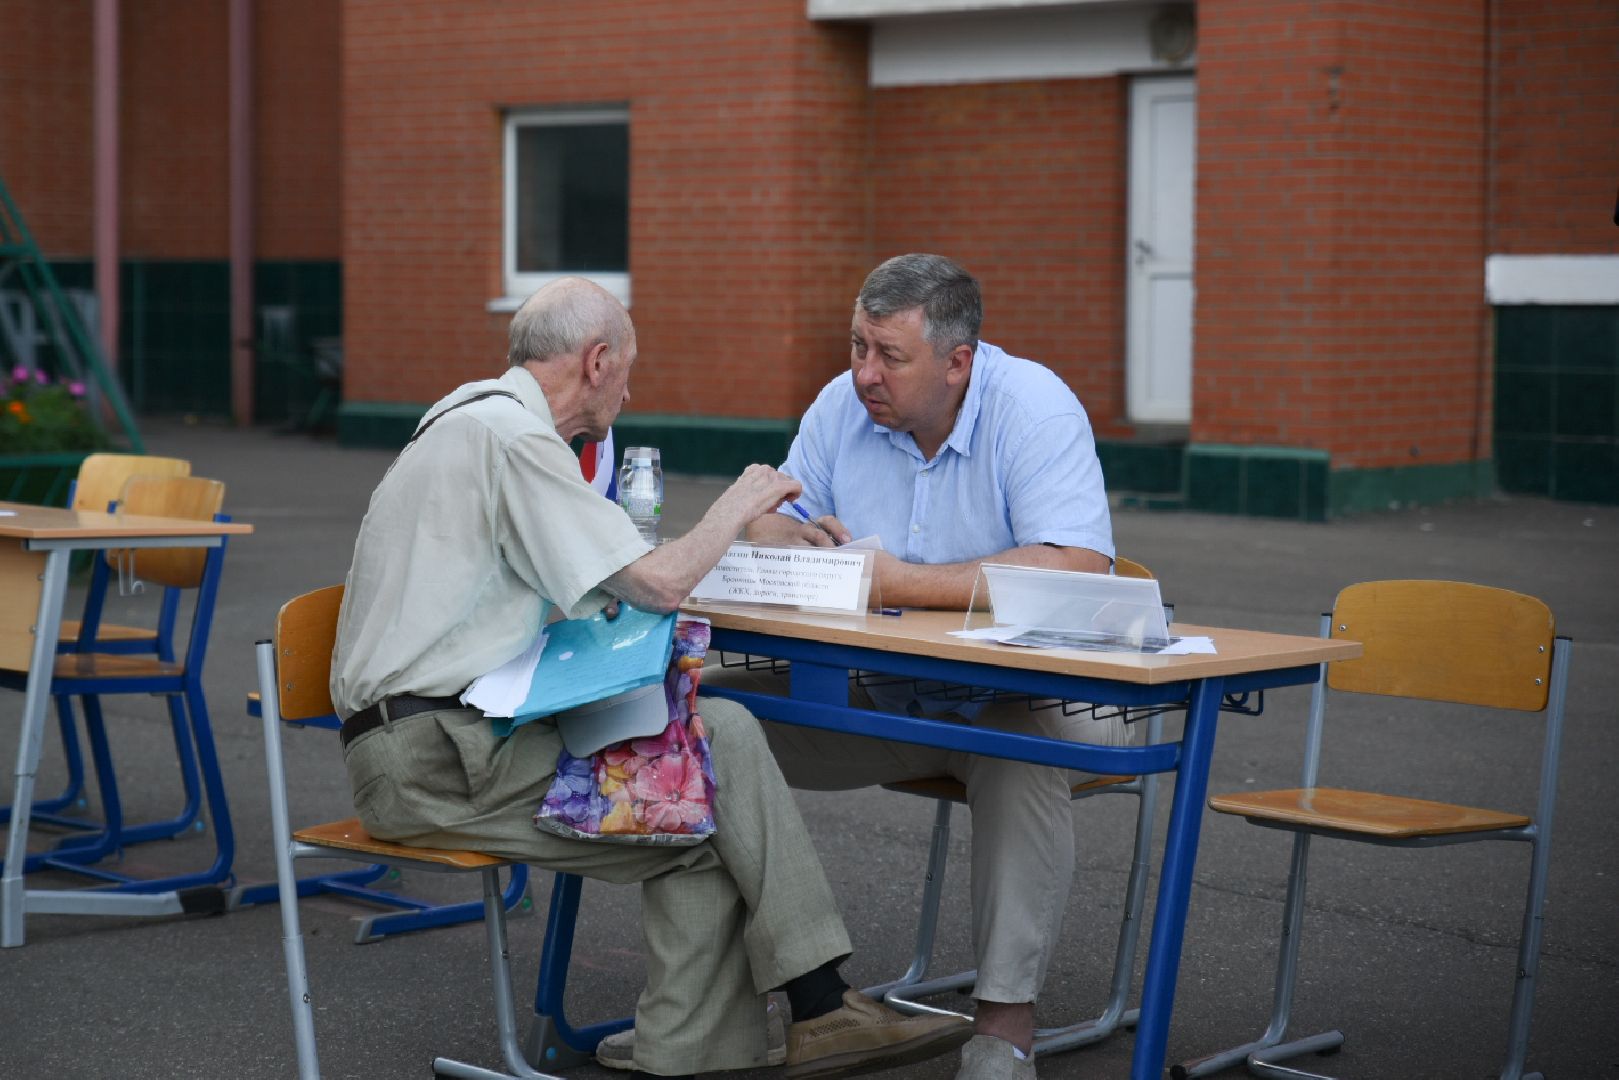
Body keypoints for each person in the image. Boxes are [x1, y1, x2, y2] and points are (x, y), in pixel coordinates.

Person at [329, 276, 969, 1080]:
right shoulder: (512, 440)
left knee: (702, 795)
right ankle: (814, 1008)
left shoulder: (471, 421)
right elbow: (657, 583)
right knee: (709, 785)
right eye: (628, 370)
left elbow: (617, 583)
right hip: (432, 760)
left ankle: (714, 1042)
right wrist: (740, 504)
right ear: (596, 361)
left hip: (444, 737)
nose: (630, 389)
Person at [737, 253, 1124, 1080]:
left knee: (1020, 754)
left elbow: (1077, 565)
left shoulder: (1033, 407)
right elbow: (765, 520)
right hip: (884, 698)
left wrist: (897, 583)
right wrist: (798, 540)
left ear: (958, 361)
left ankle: (1001, 1032)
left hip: (1025, 703)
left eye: (888, 356)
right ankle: (761, 1005)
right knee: (701, 726)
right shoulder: (842, 404)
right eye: (855, 347)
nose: (863, 374)